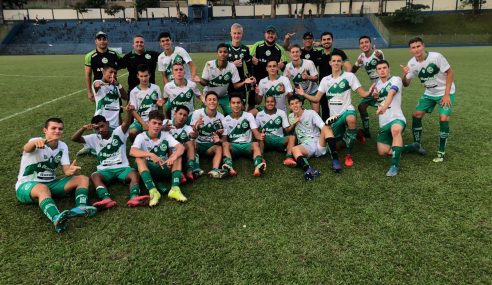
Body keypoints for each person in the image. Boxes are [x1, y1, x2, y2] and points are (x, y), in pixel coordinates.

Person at [16, 118, 97, 233]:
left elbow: (66, 171)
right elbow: (26, 148)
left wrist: (70, 171)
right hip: (27, 185)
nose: (57, 131)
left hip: (51, 184)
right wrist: (34, 143)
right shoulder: (37, 140)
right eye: (53, 128)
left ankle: (81, 207)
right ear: (45, 130)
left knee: (82, 179)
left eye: (60, 129)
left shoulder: (62, 146)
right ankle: (56, 218)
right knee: (42, 188)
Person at [297, 52, 375, 168]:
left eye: (339, 61)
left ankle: (349, 154)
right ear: (330, 63)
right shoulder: (325, 80)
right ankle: (353, 134)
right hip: (334, 117)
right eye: (334, 61)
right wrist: (304, 94)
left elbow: (362, 94)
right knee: (334, 146)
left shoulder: (349, 76)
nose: (336, 63)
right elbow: (317, 98)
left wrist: (370, 92)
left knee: (351, 118)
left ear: (342, 63)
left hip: (347, 111)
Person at [71, 105, 150, 209]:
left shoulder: (119, 132)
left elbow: (126, 123)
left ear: (107, 124)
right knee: (95, 176)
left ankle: (134, 197)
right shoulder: (94, 138)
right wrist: (83, 128)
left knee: (134, 174)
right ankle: (106, 199)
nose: (100, 130)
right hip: (105, 170)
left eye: (102, 126)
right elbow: (74, 138)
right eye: (97, 128)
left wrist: (129, 112)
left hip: (122, 168)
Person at [402, 37, 455, 163]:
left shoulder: (436, 57)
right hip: (429, 93)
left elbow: (450, 73)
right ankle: (417, 145)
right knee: (416, 115)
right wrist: (405, 74)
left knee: (443, 118)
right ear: (410, 50)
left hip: (445, 92)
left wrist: (446, 95)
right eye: (413, 47)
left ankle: (441, 152)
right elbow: (406, 84)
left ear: (423, 46)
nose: (416, 49)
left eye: (418, 46)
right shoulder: (411, 63)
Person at [130, 110, 187, 205]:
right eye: (154, 123)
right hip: (148, 168)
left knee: (178, 157)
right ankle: (153, 191)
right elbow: (132, 151)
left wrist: (173, 156)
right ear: (148, 123)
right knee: (139, 159)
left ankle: (175, 189)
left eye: (159, 124)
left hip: (164, 166)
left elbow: (181, 147)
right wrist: (150, 154)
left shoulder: (165, 135)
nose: (157, 126)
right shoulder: (141, 136)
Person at [288, 95, 342, 180]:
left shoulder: (311, 113)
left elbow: (321, 126)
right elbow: (288, 131)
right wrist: (294, 123)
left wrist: (326, 124)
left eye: (297, 103)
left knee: (326, 128)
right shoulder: (291, 117)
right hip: (307, 146)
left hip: (319, 143)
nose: (295, 105)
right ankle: (308, 169)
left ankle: (335, 161)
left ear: (301, 103)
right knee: (294, 149)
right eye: (292, 104)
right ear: (290, 106)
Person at [373, 60, 412, 176]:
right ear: (376, 71)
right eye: (379, 69)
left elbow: (391, 93)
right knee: (383, 152)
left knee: (396, 130)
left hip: (396, 118)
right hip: (384, 123)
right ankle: (412, 147)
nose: (382, 70)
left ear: (388, 69)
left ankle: (394, 166)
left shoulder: (396, 80)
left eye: (384, 67)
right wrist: (375, 97)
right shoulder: (377, 85)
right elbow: (378, 100)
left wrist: (384, 107)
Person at [193, 43, 255, 115]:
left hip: (224, 96)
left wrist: (244, 82)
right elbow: (205, 83)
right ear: (217, 53)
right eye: (220, 52)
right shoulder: (209, 64)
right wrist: (200, 80)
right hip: (210, 96)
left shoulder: (232, 67)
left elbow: (236, 85)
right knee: (205, 115)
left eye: (225, 52)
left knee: (232, 114)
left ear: (228, 54)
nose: (223, 54)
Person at [221, 94, 266, 177]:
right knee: (225, 144)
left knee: (255, 144)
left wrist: (260, 136)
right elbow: (224, 140)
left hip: (247, 145)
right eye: (233, 103)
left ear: (242, 104)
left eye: (238, 103)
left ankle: (258, 166)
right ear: (229, 105)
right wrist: (219, 138)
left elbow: (255, 132)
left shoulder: (248, 115)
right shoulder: (225, 120)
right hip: (234, 147)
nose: (236, 105)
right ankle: (229, 166)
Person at [352, 35, 385, 141]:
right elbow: (353, 71)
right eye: (362, 43)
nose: (364, 44)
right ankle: (366, 132)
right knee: (361, 107)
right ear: (359, 46)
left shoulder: (377, 53)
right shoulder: (361, 56)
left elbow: (382, 61)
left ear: (370, 44)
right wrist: (358, 64)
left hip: (384, 86)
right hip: (374, 87)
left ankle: (386, 132)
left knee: (384, 109)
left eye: (366, 42)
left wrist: (379, 57)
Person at [189, 91, 227, 178]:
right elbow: (192, 134)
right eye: (209, 100)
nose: (212, 101)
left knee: (219, 148)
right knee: (191, 143)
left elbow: (224, 139)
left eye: (214, 100)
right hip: (197, 143)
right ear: (205, 102)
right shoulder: (197, 113)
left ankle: (214, 170)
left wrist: (219, 139)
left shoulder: (221, 117)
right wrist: (196, 126)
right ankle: (196, 169)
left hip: (210, 146)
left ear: (218, 102)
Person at [318, 32, 352, 121]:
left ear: (332, 40)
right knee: (325, 109)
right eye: (324, 40)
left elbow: (349, 68)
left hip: (337, 87)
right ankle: (327, 130)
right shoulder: (318, 54)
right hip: (324, 87)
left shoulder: (339, 52)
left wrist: (342, 81)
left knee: (339, 108)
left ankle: (342, 126)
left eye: (328, 39)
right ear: (321, 42)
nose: (326, 41)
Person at [255, 95, 296, 165]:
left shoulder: (281, 113)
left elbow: (287, 130)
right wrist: (259, 133)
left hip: (279, 139)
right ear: (264, 103)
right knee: (260, 136)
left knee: (292, 137)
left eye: (272, 101)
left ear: (275, 103)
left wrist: (294, 123)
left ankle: (288, 158)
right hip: (266, 140)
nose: (270, 103)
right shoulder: (259, 114)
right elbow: (255, 129)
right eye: (267, 102)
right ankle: (261, 158)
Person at [128, 64, 164, 141]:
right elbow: (133, 111)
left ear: (149, 75)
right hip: (140, 121)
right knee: (132, 132)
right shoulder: (134, 92)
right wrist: (143, 124)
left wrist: (160, 106)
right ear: (137, 76)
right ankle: (136, 147)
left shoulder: (156, 88)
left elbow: (160, 107)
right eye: (141, 76)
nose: (144, 79)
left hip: (154, 119)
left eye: (146, 76)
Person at [84, 31, 121, 102]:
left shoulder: (114, 54)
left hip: (113, 86)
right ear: (96, 41)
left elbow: (122, 64)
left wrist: (115, 71)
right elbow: (88, 75)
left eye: (104, 39)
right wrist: (89, 92)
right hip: (99, 88)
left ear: (107, 41)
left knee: (116, 110)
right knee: (101, 110)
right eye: (99, 39)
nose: (102, 41)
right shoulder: (89, 56)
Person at [169, 105, 203, 182]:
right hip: (168, 153)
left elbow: (193, 135)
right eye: (180, 114)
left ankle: (189, 170)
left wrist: (195, 132)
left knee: (190, 143)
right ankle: (179, 173)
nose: (182, 117)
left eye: (185, 115)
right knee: (169, 146)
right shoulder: (166, 123)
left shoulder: (187, 128)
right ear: (175, 114)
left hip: (180, 152)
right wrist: (163, 128)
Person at [226, 23, 255, 110]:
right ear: (231, 33)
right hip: (228, 82)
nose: (236, 35)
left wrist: (252, 76)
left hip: (240, 81)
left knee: (241, 106)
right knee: (230, 108)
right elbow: (220, 65)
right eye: (234, 33)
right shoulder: (226, 47)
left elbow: (249, 65)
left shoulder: (245, 49)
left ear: (242, 34)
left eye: (239, 33)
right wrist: (232, 64)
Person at [284, 44, 319, 112]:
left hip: (312, 90)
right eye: (293, 52)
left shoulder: (309, 63)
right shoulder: (288, 67)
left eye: (297, 52)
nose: (295, 54)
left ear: (300, 53)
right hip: (299, 91)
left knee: (316, 112)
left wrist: (308, 77)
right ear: (290, 54)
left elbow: (316, 78)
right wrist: (287, 79)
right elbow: (285, 82)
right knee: (293, 111)